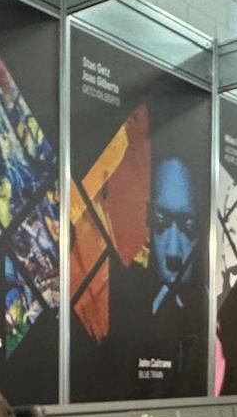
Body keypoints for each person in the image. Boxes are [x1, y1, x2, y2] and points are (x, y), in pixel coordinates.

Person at [73, 155, 202, 399]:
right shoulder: (112, 305)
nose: (173, 251)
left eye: (187, 226)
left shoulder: (206, 324)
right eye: (161, 221)